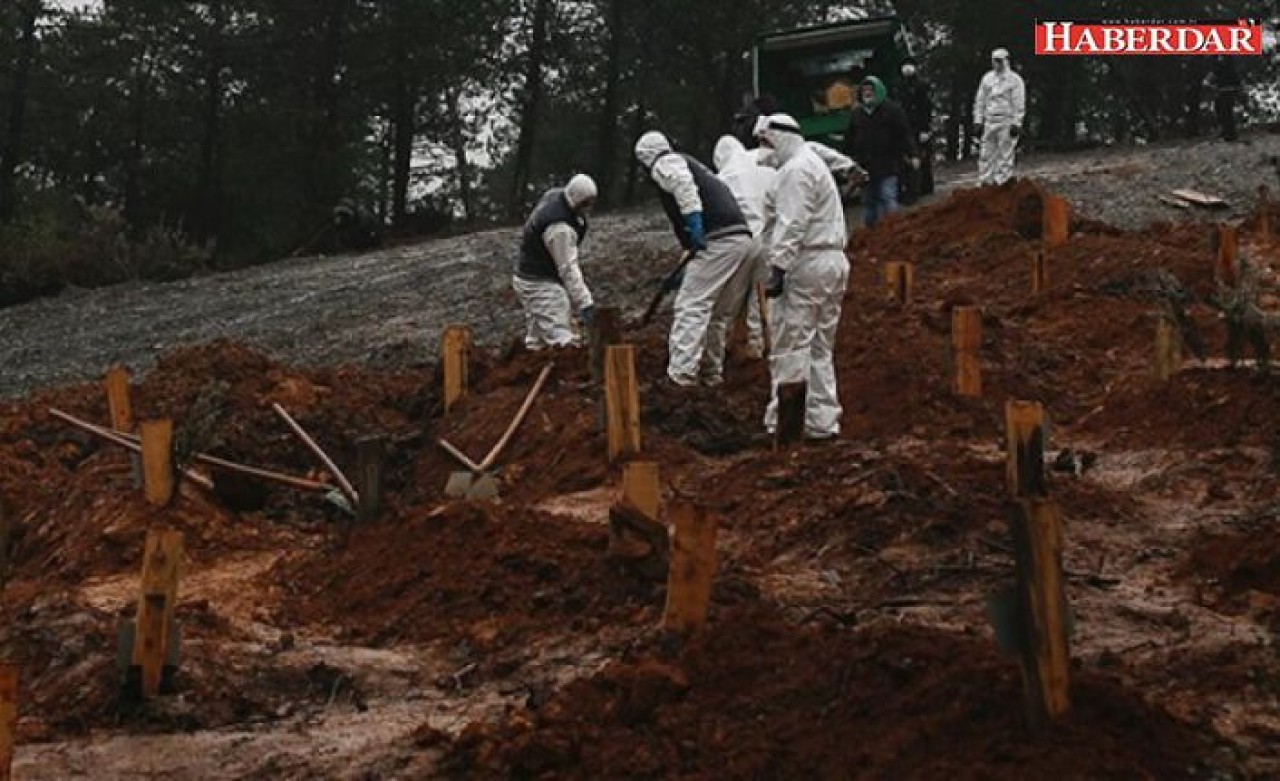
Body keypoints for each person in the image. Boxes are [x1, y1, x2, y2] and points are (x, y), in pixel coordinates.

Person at [634, 131, 754, 386]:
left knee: (691, 305)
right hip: (742, 240)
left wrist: (695, 222)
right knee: (717, 312)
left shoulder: (665, 163)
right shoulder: (694, 164)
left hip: (718, 239)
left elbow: (683, 186)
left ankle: (681, 375)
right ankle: (711, 373)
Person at [757, 114, 850, 440]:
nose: (763, 150)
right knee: (820, 348)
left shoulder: (795, 171)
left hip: (806, 264)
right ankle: (822, 423)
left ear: (776, 138)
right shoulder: (812, 162)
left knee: (791, 347)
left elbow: (791, 222)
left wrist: (778, 268)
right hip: (832, 261)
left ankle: (785, 428)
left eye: (765, 142)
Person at [511, 173, 598, 350]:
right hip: (538, 282)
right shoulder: (560, 229)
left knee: (538, 338)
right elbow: (567, 268)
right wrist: (585, 303)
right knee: (561, 334)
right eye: (585, 204)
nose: (588, 209)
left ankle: (532, 360)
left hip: (528, 276)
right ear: (576, 200)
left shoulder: (555, 196)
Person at [712, 134, 777, 361]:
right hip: (769, 238)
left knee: (733, 298)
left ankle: (724, 349)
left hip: (740, 241)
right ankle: (761, 344)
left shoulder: (721, 178)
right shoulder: (761, 164)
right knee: (762, 295)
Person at [842, 75, 918, 228]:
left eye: (871, 90)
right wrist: (846, 161)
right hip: (865, 168)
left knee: (888, 199)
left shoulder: (892, 110)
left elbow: (904, 134)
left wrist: (913, 154)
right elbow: (849, 139)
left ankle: (895, 231)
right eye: (864, 90)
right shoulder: (857, 114)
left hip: (887, 165)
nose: (867, 93)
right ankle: (872, 235)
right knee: (870, 205)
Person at [973, 47, 1026, 185]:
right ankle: (985, 181)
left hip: (1006, 121)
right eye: (994, 61)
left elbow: (1018, 103)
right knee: (986, 153)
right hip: (989, 120)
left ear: (1006, 61)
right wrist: (978, 120)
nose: (996, 64)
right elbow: (980, 100)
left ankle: (1003, 183)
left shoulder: (1015, 80)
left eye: (999, 61)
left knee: (1005, 154)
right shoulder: (987, 78)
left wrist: (1016, 123)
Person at [897, 56, 935, 202]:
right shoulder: (899, 86)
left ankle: (926, 186)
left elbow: (926, 108)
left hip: (920, 126)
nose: (907, 68)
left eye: (909, 65)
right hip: (905, 127)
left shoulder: (922, 85)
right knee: (908, 159)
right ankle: (912, 188)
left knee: (923, 157)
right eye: (904, 65)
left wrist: (926, 129)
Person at [1209, 56, 1242, 142]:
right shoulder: (1220, 69)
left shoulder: (1228, 69)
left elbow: (1237, 83)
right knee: (1223, 113)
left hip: (1227, 93)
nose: (1220, 59)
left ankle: (1229, 134)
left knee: (1226, 113)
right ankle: (1226, 133)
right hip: (1223, 92)